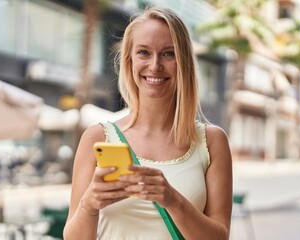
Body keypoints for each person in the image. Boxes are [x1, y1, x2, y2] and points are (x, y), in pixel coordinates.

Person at [63, 6, 233, 240]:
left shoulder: (212, 141)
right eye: (144, 52)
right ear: (129, 60)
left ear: (184, 62)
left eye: (168, 53)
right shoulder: (97, 138)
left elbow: (220, 237)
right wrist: (89, 204)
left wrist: (173, 200)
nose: (155, 66)